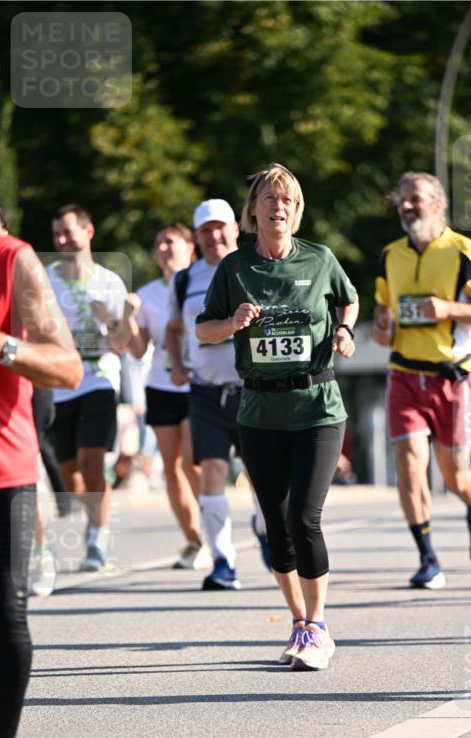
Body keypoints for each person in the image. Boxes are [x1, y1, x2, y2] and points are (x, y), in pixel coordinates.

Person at [197, 163, 357, 670]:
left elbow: (348, 302)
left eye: (286, 199)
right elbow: (204, 331)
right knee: (275, 525)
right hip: (260, 411)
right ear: (253, 211)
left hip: (317, 407)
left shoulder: (321, 258)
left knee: (304, 517)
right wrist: (232, 322)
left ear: (297, 210)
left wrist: (345, 333)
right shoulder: (235, 269)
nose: (277, 207)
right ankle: (298, 623)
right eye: (268, 198)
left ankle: (320, 625)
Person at [0, 156, 83, 738]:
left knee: (4, 612)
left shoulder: (10, 260)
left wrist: (0, 347)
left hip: (0, 469)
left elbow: (68, 367)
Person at [372, 171, 471, 590]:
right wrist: (381, 325)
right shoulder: (390, 254)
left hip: (454, 377)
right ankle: (427, 558)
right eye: (402, 200)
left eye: (416, 199)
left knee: (454, 475)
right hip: (405, 374)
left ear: (438, 204)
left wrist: (447, 308)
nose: (407, 206)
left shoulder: (464, 251)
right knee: (409, 464)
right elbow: (382, 317)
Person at [167, 198, 269, 590]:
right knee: (211, 470)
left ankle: (264, 527)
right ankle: (223, 560)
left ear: (235, 229)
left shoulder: (252, 267)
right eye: (205, 231)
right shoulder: (185, 279)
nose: (213, 237)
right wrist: (176, 363)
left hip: (252, 389)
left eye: (220, 228)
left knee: (261, 476)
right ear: (197, 237)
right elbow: (175, 329)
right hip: (206, 392)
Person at [117, 223, 212, 569]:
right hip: (161, 385)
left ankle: (215, 530)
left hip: (198, 383)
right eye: (158, 243)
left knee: (192, 464)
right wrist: (127, 315)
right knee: (171, 470)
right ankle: (193, 540)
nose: (163, 248)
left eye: (170, 241)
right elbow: (139, 349)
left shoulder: (204, 283)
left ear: (191, 248)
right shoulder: (147, 294)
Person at [47, 204, 130, 572]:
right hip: (59, 385)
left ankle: (98, 536)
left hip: (98, 380)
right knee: (69, 476)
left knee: (91, 461)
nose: (62, 240)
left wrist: (110, 319)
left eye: (69, 232)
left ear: (88, 232)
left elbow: (124, 343)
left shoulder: (109, 281)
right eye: (57, 235)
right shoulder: (44, 277)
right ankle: (97, 511)